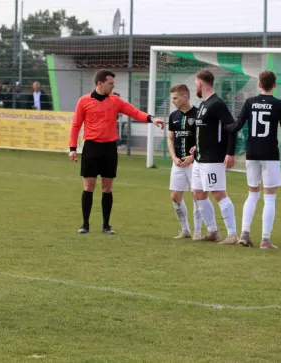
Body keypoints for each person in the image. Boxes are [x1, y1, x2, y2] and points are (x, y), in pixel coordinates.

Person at [69, 69, 165, 234]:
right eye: (111, 83)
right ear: (100, 83)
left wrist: (151, 119)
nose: (113, 86)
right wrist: (72, 148)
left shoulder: (115, 101)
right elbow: (76, 125)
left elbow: (134, 112)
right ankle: (85, 225)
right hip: (91, 147)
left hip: (109, 148)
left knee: (107, 188)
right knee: (89, 186)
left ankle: (106, 225)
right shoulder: (83, 101)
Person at [224, 70, 281, 249]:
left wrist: (223, 126)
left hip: (252, 154)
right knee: (270, 198)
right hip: (270, 155)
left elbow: (236, 126)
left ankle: (244, 233)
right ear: (275, 85)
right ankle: (265, 239)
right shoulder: (279, 104)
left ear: (259, 84)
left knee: (252, 194)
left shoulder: (250, 102)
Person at [188, 70, 238, 245]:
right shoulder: (203, 104)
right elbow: (206, 130)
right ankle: (213, 231)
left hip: (213, 159)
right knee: (198, 194)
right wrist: (198, 145)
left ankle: (232, 235)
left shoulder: (217, 104)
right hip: (200, 158)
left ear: (201, 84)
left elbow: (232, 128)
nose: (195, 86)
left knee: (219, 194)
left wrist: (230, 152)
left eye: (196, 83)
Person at [166, 84, 203, 240]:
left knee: (197, 195)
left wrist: (192, 157)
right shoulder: (173, 116)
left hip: (195, 163)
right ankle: (185, 229)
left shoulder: (198, 114)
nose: (173, 101)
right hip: (178, 162)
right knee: (175, 196)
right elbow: (170, 138)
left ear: (185, 97)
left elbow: (203, 139)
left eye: (175, 98)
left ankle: (198, 232)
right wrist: (174, 157)